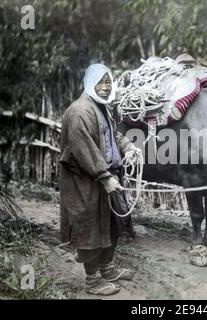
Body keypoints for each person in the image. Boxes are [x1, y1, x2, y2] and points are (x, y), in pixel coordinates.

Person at [59, 63, 139, 296]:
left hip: (104, 178)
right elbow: (84, 149)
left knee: (111, 226)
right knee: (90, 228)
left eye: (108, 82)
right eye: (100, 83)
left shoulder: (102, 108)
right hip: (85, 181)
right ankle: (92, 280)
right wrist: (104, 176)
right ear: (89, 83)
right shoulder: (79, 111)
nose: (105, 88)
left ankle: (107, 268)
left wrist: (128, 148)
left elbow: (113, 136)